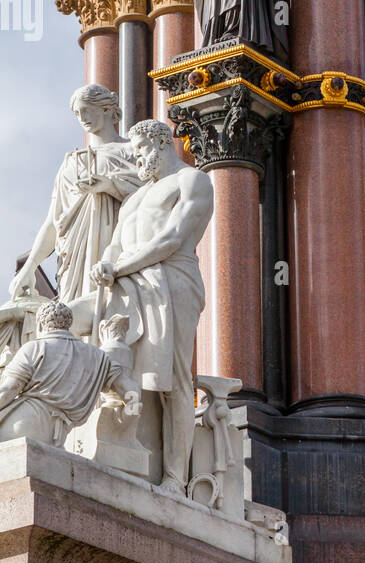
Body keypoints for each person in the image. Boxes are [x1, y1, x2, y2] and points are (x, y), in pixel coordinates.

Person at [88, 119, 214, 493]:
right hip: (128, 282)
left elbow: (172, 238)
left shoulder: (191, 180)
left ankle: (174, 477)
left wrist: (118, 267)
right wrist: (104, 265)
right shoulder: (135, 198)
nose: (138, 158)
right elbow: (115, 245)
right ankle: (123, 452)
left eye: (141, 150)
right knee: (111, 355)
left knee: (174, 378)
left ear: (160, 143)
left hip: (172, 279)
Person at [9, 85, 139, 306]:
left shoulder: (131, 151)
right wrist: (30, 266)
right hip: (75, 258)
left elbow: (152, 199)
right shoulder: (71, 163)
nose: (82, 118)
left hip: (116, 249)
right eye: (78, 113)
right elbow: (53, 222)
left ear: (107, 109)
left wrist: (110, 185)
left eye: (87, 110)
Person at [0, 299, 139, 445]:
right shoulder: (98, 357)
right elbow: (130, 390)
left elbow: (9, 389)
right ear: (68, 325)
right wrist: (129, 412)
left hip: (20, 427)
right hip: (57, 435)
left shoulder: (35, 347)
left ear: (40, 325)